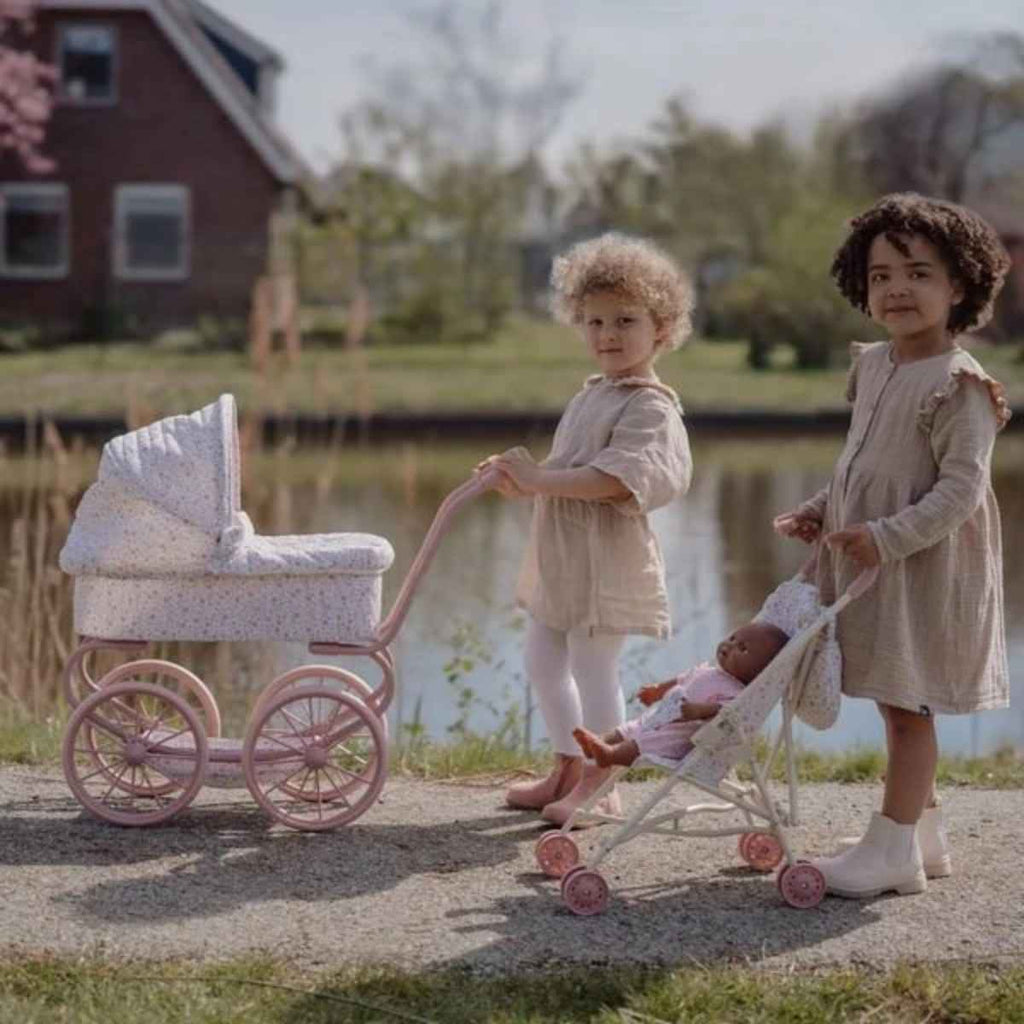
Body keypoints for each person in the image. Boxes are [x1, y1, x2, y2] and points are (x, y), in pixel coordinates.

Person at [776, 192, 1012, 899]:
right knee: (891, 698)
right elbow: (864, 459)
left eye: (918, 272)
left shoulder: (960, 386)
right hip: (872, 560)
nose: (898, 288)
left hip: (923, 565)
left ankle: (890, 855)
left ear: (959, 285)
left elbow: (959, 491)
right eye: (881, 275)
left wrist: (884, 535)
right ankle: (922, 836)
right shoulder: (875, 364)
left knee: (910, 706)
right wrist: (825, 509)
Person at [477, 233, 693, 827]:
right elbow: (563, 473)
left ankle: (605, 782)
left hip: (606, 565)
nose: (609, 335)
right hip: (564, 561)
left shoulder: (650, 407)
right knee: (544, 662)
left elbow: (615, 481)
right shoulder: (593, 395)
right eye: (595, 322)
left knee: (594, 668)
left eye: (626, 320)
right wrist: (518, 478)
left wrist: (541, 481)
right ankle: (568, 766)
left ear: (663, 327)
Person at [573, 621, 789, 768]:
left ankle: (610, 756)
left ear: (761, 671)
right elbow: (680, 680)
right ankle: (600, 741)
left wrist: (698, 710)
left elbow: (725, 712)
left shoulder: (736, 692)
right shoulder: (708, 670)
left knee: (645, 744)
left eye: (742, 648)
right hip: (662, 718)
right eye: (732, 637)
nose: (729, 645)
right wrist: (658, 690)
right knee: (630, 728)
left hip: (681, 735)